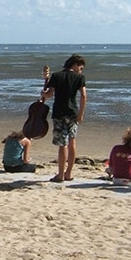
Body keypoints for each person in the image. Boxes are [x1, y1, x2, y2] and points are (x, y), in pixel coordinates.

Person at [41, 54, 86, 182]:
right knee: (72, 141)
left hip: (59, 113)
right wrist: (81, 114)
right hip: (73, 113)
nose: (80, 71)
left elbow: (49, 94)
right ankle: (69, 173)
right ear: (75, 65)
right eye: (80, 68)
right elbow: (83, 95)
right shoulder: (80, 78)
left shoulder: (57, 76)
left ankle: (60, 174)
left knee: (62, 144)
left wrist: (43, 93)